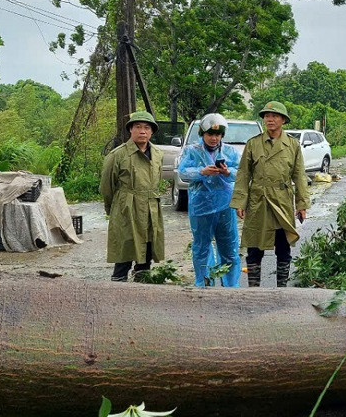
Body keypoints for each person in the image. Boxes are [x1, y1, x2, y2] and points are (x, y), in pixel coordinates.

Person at [230, 101, 310, 287]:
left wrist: (302, 205)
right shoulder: (253, 144)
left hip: (282, 203)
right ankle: (254, 290)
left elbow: (299, 176)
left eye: (274, 116)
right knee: (254, 249)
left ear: (283, 120)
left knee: (283, 248)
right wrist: (240, 202)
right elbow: (243, 174)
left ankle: (281, 289)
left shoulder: (292, 145)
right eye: (267, 116)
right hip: (258, 202)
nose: (270, 119)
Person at [177, 112, 241, 287]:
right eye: (210, 134)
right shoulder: (192, 151)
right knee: (202, 246)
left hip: (225, 205)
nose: (214, 138)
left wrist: (228, 172)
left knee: (229, 247)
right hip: (201, 205)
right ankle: (205, 283)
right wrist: (201, 172)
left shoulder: (230, 151)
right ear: (202, 134)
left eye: (218, 135)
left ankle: (231, 286)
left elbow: (241, 173)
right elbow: (182, 171)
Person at [100, 110, 165, 282]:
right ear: (131, 130)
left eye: (146, 128)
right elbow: (107, 187)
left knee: (147, 249)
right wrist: (112, 209)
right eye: (138, 127)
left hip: (151, 207)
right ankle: (118, 285)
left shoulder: (158, 154)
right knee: (125, 247)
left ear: (152, 131)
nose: (142, 131)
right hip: (126, 208)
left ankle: (141, 283)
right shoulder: (117, 155)